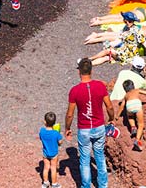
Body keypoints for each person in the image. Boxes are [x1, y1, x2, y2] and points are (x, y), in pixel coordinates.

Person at [63, 58, 114, 188]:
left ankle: (86, 186)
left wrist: (67, 128)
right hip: (99, 127)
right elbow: (109, 106)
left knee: (84, 160)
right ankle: (103, 185)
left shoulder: (75, 90)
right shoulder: (100, 86)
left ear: (79, 71)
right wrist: (111, 118)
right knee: (100, 156)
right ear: (91, 70)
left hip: (84, 129)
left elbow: (70, 113)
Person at [40, 111, 63, 188]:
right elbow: (60, 142)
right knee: (53, 168)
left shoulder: (42, 131)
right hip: (54, 153)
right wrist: (58, 132)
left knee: (46, 167)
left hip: (45, 153)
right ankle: (54, 184)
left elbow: (41, 138)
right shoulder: (56, 133)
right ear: (54, 123)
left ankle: (45, 183)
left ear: (45, 122)